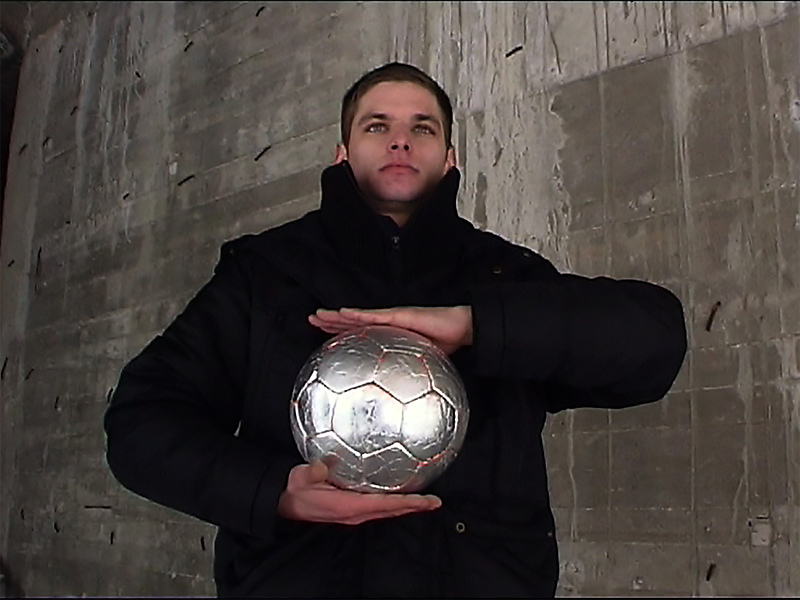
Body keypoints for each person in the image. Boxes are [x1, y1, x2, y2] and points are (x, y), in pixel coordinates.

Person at [104, 62, 687, 598]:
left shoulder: (503, 276)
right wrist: (272, 491)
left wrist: (478, 324)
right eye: (377, 125)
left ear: (450, 159)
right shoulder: (266, 275)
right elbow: (140, 422)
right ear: (342, 153)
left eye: (422, 128)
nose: (400, 140)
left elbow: (655, 344)